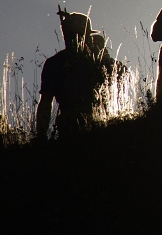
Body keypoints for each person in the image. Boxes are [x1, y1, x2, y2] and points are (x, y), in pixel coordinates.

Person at [36, 8, 110, 139]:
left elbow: (45, 103)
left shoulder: (54, 62)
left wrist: (40, 137)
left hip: (70, 126)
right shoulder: (98, 59)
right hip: (102, 125)